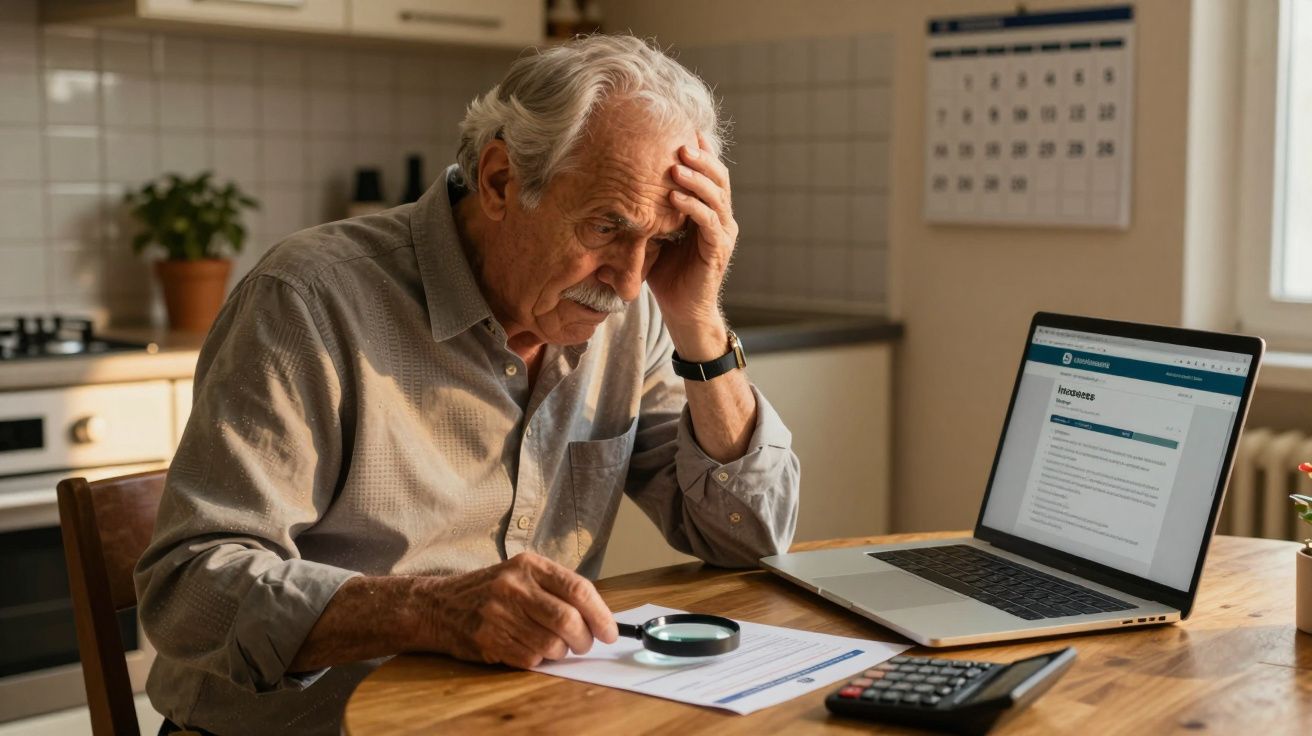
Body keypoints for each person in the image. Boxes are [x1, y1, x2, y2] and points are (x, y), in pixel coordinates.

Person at [135, 34, 800, 736]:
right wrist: (424, 612)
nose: (632, 280)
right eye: (607, 227)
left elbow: (749, 536)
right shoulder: (307, 300)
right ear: (500, 181)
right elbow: (188, 591)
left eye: (662, 241)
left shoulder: (634, 311)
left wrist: (699, 320)